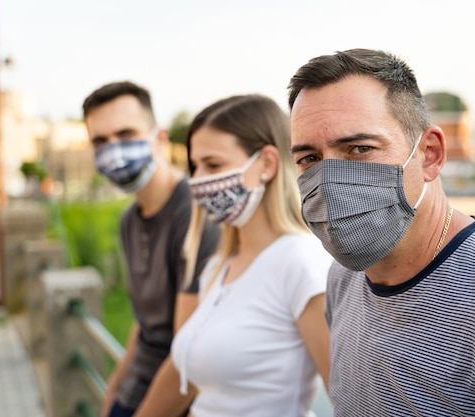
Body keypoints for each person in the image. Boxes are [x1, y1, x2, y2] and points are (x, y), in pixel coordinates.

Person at [287, 48, 475, 416]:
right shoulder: (344, 278)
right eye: (310, 159)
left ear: (429, 154)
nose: (329, 181)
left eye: (360, 148)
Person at [160, 94, 332, 417]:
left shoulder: (301, 262)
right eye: (194, 166)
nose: (196, 181)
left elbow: (347, 396)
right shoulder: (217, 266)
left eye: (213, 165)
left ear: (266, 164)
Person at [83, 81, 219, 417]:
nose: (113, 149)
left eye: (126, 134)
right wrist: (114, 387)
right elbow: (145, 322)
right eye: (100, 141)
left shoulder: (196, 214)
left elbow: (189, 350)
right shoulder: (129, 219)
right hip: (132, 393)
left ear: (158, 138)